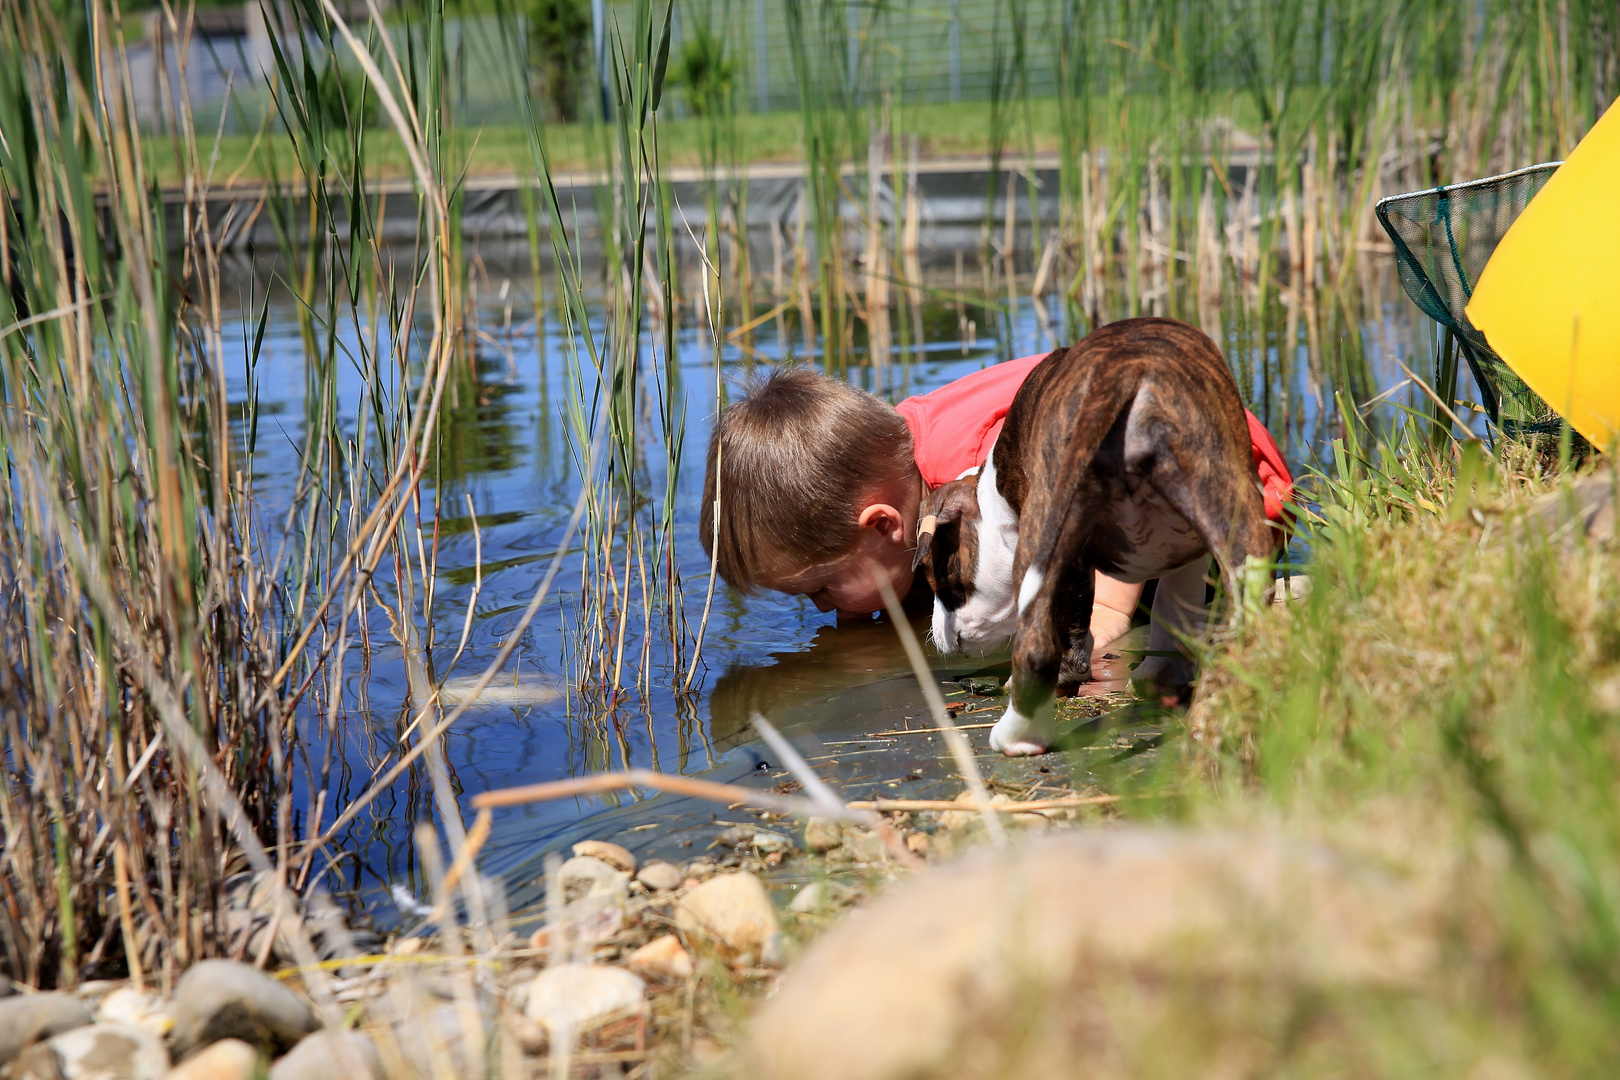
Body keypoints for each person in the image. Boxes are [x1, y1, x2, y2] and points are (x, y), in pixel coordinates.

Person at [699, 351, 1293, 669]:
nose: (826, 611)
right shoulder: (885, 449)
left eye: (820, 592)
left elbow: (1093, 480)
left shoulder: (979, 478)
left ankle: (1130, 604)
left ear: (884, 523)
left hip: (1223, 492)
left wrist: (1105, 614)